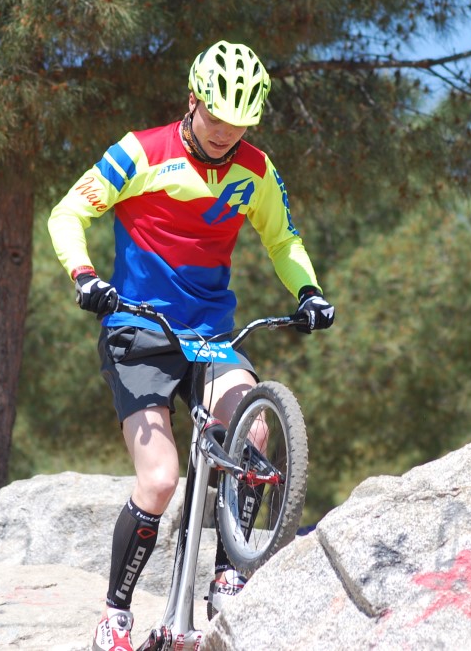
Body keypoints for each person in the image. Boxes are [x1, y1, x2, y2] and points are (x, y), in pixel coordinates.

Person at [47, 40, 335, 651]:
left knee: (254, 429)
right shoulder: (140, 152)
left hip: (208, 336)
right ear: (192, 100)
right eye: (216, 118)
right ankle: (115, 616)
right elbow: (67, 214)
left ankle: (229, 574)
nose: (225, 134)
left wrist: (308, 291)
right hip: (138, 331)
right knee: (159, 480)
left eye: (240, 124)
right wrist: (84, 276)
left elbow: (283, 241)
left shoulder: (255, 169)